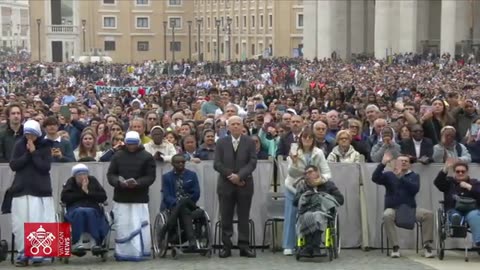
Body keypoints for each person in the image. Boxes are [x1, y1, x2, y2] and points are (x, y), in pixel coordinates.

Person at [8, 120, 55, 266]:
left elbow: (45, 167)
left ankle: (39, 252)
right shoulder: (18, 145)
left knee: (38, 221)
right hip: (21, 189)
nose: (29, 137)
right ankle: (23, 252)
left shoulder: (46, 146)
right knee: (21, 221)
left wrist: (34, 153)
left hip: (39, 190)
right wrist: (27, 154)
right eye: (27, 134)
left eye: (32, 135)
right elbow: (14, 165)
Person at [372, 152, 434, 259]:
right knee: (387, 215)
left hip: (410, 209)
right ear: (396, 163)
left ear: (409, 164)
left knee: (428, 214)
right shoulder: (389, 175)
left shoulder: (414, 176)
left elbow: (414, 189)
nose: (404, 162)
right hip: (393, 209)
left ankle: (427, 245)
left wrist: (401, 177)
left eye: (406, 161)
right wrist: (382, 164)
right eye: (401, 161)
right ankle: (395, 247)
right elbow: (375, 178)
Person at [107, 131, 156, 261]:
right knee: (123, 226)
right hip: (121, 197)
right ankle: (123, 253)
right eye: (129, 144)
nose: (131, 147)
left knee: (137, 225)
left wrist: (138, 183)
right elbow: (110, 174)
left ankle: (140, 251)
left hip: (139, 197)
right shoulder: (118, 156)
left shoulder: (147, 157)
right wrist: (118, 182)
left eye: (133, 144)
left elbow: (151, 177)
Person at [214, 115, 257, 258]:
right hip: (226, 184)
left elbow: (252, 162)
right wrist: (231, 176)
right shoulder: (221, 142)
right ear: (228, 127)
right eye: (233, 124)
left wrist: (240, 176)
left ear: (243, 126)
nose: (236, 126)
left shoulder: (250, 142)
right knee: (226, 215)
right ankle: (226, 246)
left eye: (239, 124)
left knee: (244, 216)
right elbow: (217, 164)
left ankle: (244, 246)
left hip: (245, 184)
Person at [283, 127, 331, 256]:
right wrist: (293, 162)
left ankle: (308, 244)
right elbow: (291, 173)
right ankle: (288, 245)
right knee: (291, 214)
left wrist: (319, 181)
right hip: (293, 187)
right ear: (301, 139)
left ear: (313, 139)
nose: (307, 139)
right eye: (304, 137)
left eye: (310, 137)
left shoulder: (319, 153)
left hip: (312, 188)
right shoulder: (294, 151)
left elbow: (327, 173)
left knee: (310, 213)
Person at [293, 165, 344, 256]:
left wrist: (324, 197)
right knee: (307, 216)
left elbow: (340, 199)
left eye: (310, 172)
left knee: (317, 216)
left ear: (317, 172)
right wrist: (303, 197)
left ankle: (313, 246)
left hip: (324, 212)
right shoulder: (303, 186)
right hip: (307, 210)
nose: (307, 175)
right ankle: (309, 246)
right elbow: (295, 202)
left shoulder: (328, 184)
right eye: (306, 173)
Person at [60, 164, 109, 256]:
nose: (82, 177)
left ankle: (95, 243)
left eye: (85, 174)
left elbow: (103, 197)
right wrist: (83, 192)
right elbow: (65, 198)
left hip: (93, 209)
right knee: (81, 211)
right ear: (74, 176)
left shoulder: (93, 181)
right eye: (79, 175)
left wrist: (88, 192)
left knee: (89, 211)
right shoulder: (70, 182)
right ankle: (78, 242)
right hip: (75, 210)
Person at [434, 159, 480, 247]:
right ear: (454, 172)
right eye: (457, 171)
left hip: (471, 211)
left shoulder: (474, 183)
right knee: (454, 214)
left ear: (467, 172)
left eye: (463, 171)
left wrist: (470, 187)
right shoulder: (449, 182)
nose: (460, 173)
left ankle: (479, 242)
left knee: (475, 216)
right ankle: (456, 221)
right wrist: (445, 169)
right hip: (453, 209)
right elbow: (437, 183)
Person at [160, 154, 201, 250]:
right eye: (178, 162)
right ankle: (192, 241)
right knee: (183, 209)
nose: (181, 164)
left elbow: (196, 193)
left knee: (183, 201)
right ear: (172, 164)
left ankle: (167, 226)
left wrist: (184, 201)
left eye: (183, 162)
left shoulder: (192, 175)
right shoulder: (166, 177)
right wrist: (176, 202)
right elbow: (166, 196)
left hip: (190, 203)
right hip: (173, 205)